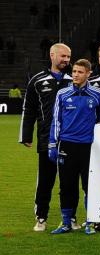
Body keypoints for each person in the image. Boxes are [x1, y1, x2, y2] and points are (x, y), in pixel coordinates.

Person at [48, 59, 100, 235]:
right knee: (67, 185)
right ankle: (67, 221)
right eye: (74, 71)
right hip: (67, 145)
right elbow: (56, 120)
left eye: (80, 72)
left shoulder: (97, 94)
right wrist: (52, 143)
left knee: (90, 186)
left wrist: (99, 141)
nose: (75, 75)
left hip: (89, 147)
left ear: (88, 73)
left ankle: (90, 221)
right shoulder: (62, 94)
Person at [21, 43, 72, 232]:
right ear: (52, 55)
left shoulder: (75, 79)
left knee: (69, 182)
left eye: (68, 57)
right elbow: (29, 109)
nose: (66, 60)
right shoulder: (37, 80)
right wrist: (26, 135)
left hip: (71, 139)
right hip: (46, 139)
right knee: (45, 181)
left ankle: (70, 217)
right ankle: (41, 217)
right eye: (63, 56)